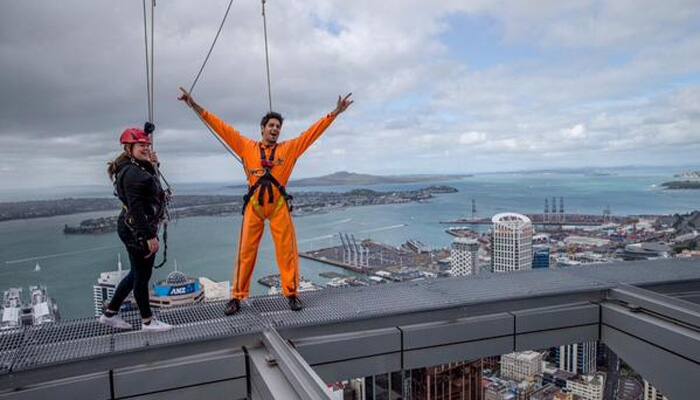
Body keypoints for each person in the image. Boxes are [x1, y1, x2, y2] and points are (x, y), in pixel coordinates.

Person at [178, 88, 353, 315]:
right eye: (271, 126)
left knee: (287, 251)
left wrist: (335, 112)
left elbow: (312, 134)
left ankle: (291, 293)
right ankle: (237, 297)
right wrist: (194, 105)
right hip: (255, 206)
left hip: (278, 205)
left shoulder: (288, 150)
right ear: (262, 129)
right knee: (246, 252)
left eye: (278, 127)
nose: (275, 129)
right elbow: (220, 127)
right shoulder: (246, 147)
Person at [99, 124, 173, 331]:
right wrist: (149, 236)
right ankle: (147, 321)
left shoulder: (136, 168)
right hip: (137, 230)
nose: (146, 148)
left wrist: (153, 165)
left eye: (147, 145)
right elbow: (136, 208)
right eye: (141, 145)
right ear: (128, 148)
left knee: (135, 273)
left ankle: (110, 313)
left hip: (134, 228)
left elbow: (151, 189)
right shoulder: (132, 173)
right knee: (142, 276)